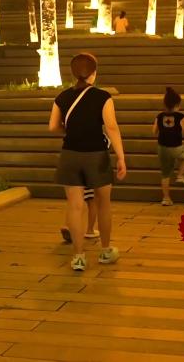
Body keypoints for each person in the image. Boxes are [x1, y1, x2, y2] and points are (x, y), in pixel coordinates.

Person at [49, 53, 126, 271]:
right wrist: (121, 156)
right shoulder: (103, 97)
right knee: (104, 204)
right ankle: (105, 251)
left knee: (75, 206)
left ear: (73, 73)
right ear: (94, 73)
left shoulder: (62, 97)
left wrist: (72, 131)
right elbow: (111, 127)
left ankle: (78, 257)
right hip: (97, 155)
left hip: (70, 155)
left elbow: (53, 126)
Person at [154, 87, 184, 206]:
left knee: (165, 173)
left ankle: (166, 198)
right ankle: (180, 175)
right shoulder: (180, 116)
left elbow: (154, 131)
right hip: (176, 147)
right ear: (177, 105)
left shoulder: (159, 116)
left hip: (162, 148)